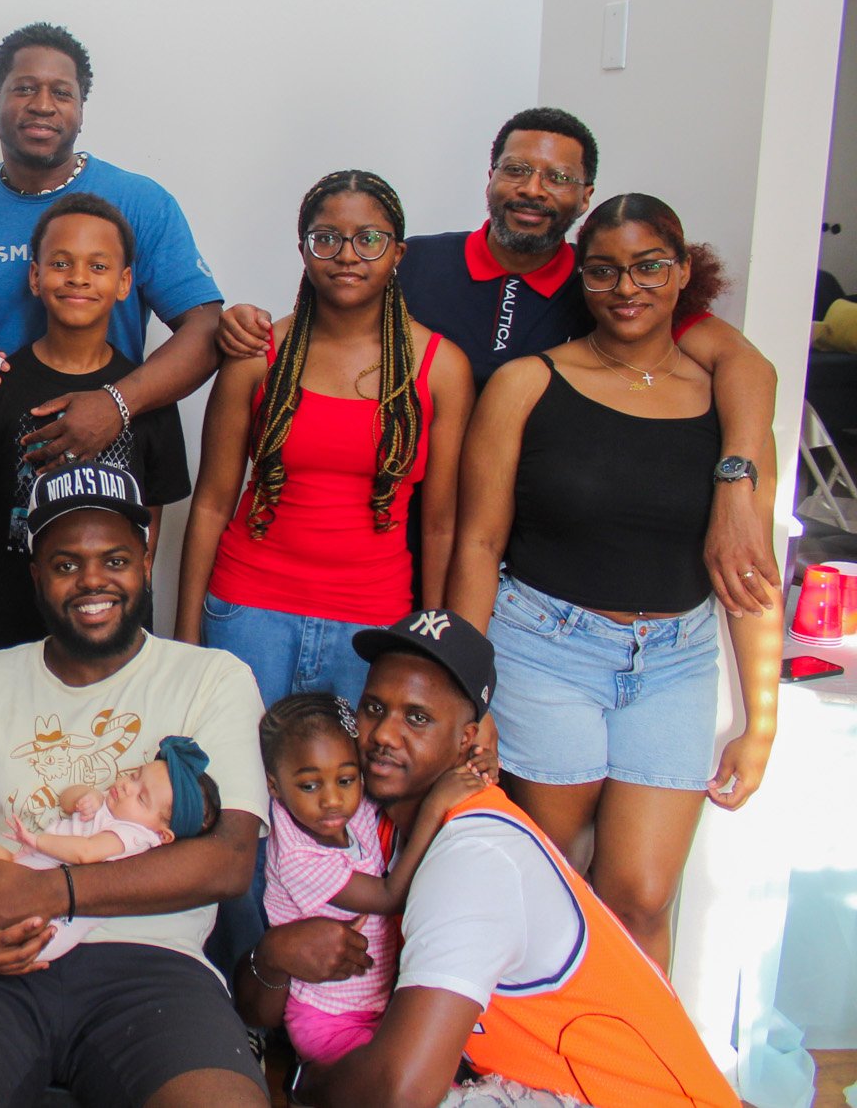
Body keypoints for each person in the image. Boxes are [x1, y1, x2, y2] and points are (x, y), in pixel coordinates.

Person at [217, 107, 779, 619]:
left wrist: (736, 483)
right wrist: (244, 320)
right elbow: (320, 324)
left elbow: (746, 366)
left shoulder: (608, 286)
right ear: (489, 179)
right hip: (389, 548)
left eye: (558, 178)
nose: (532, 189)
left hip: (525, 573)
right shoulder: (415, 263)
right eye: (516, 170)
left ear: (586, 198)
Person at [447, 194, 782, 969]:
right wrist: (473, 693)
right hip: (544, 647)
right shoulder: (528, 383)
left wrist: (760, 720)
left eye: (648, 266)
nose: (626, 287)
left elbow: (748, 570)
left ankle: (636, 1071)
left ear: (683, 271)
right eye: (603, 270)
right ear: (581, 278)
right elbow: (477, 542)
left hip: (675, 660)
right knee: (551, 874)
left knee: (641, 893)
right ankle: (532, 1074)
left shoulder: (724, 406)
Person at [0, 460, 270, 1108]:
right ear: (37, 575)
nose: (92, 579)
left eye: (114, 558)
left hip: (152, 968)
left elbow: (228, 859)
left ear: (145, 561)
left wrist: (52, 887)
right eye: (65, 563)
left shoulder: (213, 678)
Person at [239, 612, 744, 1108]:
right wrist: (275, 953)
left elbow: (398, 1092)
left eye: (417, 718)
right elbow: (258, 1003)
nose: (385, 735)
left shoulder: (471, 858)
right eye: (374, 709)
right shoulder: (374, 821)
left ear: (466, 740)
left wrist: (307, 1083)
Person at [177, 170, 473, 709]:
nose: (347, 254)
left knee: (353, 793)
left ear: (398, 253)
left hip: (374, 624)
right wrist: (186, 639)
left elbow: (439, 523)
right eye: (326, 238)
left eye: (369, 238)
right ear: (304, 250)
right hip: (248, 613)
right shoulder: (257, 353)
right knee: (235, 785)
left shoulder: (440, 368)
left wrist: (432, 646)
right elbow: (213, 502)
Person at [0, 22, 224, 473]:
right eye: (25, 88)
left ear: (81, 109)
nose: (43, 106)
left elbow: (206, 327)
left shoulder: (141, 204)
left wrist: (117, 404)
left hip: (107, 460)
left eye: (62, 92)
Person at [0, 194, 189, 655]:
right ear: (35, 276)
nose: (78, 277)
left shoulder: (150, 396)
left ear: (125, 283)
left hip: (115, 631)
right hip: (10, 629)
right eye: (61, 263)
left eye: (98, 267)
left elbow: (151, 522)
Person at [259, 692, 483, 1069]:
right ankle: (308, 1084)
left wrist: (469, 766)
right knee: (402, 1078)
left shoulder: (352, 806)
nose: (332, 800)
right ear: (275, 787)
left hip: (378, 1004)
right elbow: (388, 895)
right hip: (328, 1019)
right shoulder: (298, 856)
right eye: (310, 786)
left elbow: (401, 793)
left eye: (345, 779)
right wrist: (437, 804)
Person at [0, 736, 219, 963]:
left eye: (141, 797)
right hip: (28, 873)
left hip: (52, 915)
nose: (126, 786)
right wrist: (87, 796)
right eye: (135, 776)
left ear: (162, 835)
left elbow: (85, 853)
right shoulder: (114, 807)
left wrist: (35, 840)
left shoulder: (134, 836)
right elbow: (67, 801)